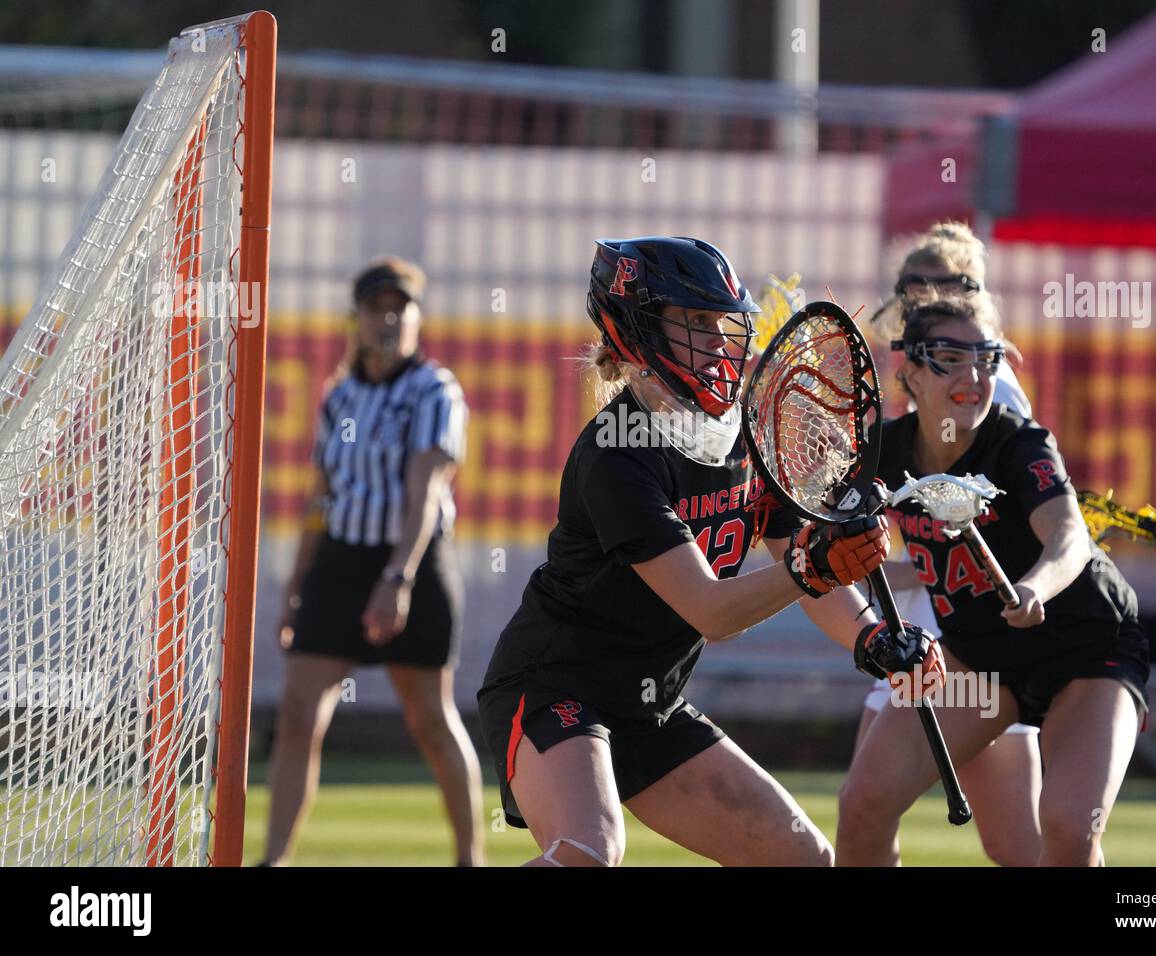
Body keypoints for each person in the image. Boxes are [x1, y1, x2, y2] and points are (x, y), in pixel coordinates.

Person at [476, 236, 941, 867]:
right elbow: (714, 612)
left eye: (721, 322)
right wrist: (813, 566)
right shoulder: (618, 453)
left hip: (651, 702)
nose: (719, 340)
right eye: (694, 322)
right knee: (589, 852)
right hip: (555, 684)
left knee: (803, 859)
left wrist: (872, 636)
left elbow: (792, 551)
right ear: (637, 327)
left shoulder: (740, 436)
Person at [837, 295, 1149, 867]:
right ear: (907, 370)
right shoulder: (884, 450)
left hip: (1085, 649)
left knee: (1069, 827)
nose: (973, 375)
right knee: (863, 803)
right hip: (978, 660)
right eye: (950, 358)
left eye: (986, 358)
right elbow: (827, 536)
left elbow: (1070, 538)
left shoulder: (1018, 443)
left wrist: (1035, 587)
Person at [262, 257, 484, 866]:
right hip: (340, 563)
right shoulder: (342, 397)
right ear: (355, 318)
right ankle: (274, 859)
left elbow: (426, 489)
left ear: (416, 317)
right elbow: (321, 494)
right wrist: (296, 584)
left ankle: (471, 858)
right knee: (300, 711)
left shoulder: (433, 390)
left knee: (430, 721)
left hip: (408, 561)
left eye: (399, 308)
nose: (387, 319)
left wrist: (397, 577)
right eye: (375, 307)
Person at [861, 221, 1041, 866]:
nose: (920, 303)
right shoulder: (911, 388)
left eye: (937, 289)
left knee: (1021, 846)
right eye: (910, 290)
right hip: (912, 634)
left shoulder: (992, 389)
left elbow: (1014, 516)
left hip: (974, 635)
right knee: (866, 810)